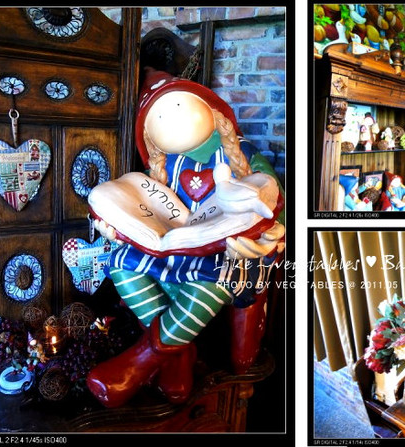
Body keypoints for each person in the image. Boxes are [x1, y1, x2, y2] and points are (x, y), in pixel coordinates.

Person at [86, 68, 285, 408]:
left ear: (211, 109)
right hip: (173, 247)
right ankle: (178, 355)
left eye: (179, 104)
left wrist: (269, 231)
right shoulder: (162, 168)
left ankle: (144, 358)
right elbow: (144, 208)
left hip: (228, 253)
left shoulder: (243, 155)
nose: (170, 117)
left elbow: (273, 202)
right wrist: (119, 227)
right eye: (157, 115)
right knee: (119, 263)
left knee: (218, 276)